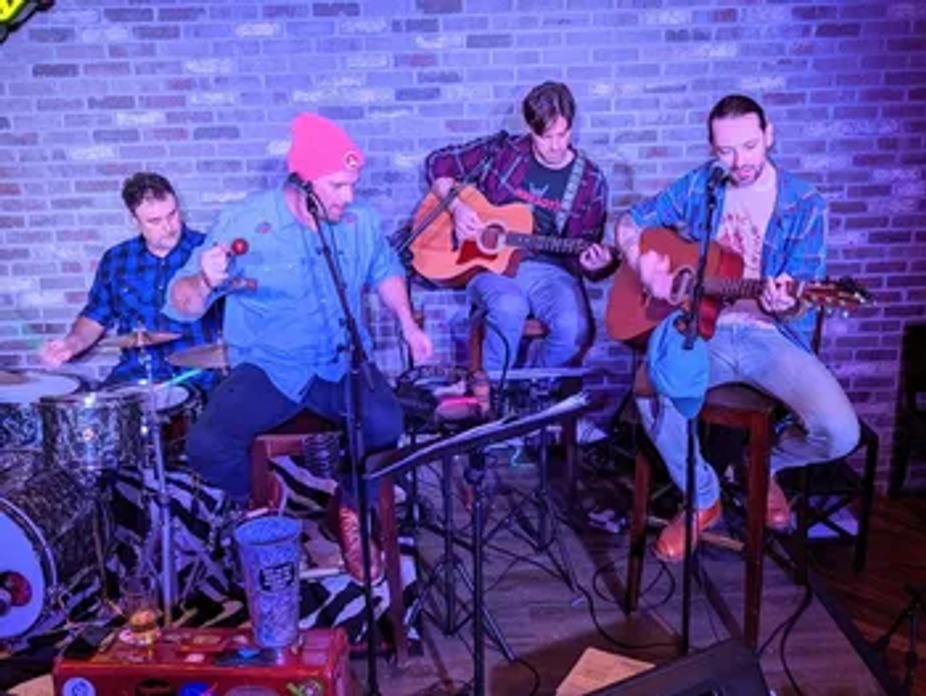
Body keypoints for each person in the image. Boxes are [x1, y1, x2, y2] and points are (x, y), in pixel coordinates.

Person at [165, 113, 433, 583]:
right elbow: (182, 303)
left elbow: (385, 270)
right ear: (303, 184)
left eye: (352, 185)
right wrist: (205, 280)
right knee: (206, 447)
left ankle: (348, 509)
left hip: (341, 363)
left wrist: (409, 325)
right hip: (271, 368)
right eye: (337, 186)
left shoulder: (360, 221)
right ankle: (262, 497)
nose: (347, 196)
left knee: (385, 423)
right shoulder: (246, 222)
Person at [615, 94, 860, 562]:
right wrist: (642, 263)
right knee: (649, 388)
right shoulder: (702, 185)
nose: (740, 161)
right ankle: (703, 497)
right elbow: (631, 221)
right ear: (712, 148)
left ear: (769, 136)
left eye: (749, 146)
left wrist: (785, 304)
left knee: (838, 431)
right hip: (704, 330)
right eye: (726, 150)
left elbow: (796, 304)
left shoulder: (804, 203)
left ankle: (761, 465)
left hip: (771, 337)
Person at [423, 81, 614, 371]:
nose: (556, 145)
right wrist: (457, 208)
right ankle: (494, 392)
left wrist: (596, 264)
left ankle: (533, 390)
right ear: (530, 128)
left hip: (550, 271)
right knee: (508, 308)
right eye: (545, 137)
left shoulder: (590, 181)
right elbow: (437, 164)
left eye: (563, 134)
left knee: (573, 329)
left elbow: (584, 252)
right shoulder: (503, 151)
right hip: (490, 267)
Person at [39, 172, 221, 391]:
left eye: (172, 214)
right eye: (154, 221)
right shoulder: (116, 259)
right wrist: (71, 344)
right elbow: (95, 316)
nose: (169, 227)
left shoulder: (209, 252)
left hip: (199, 376)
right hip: (135, 374)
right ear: (134, 221)